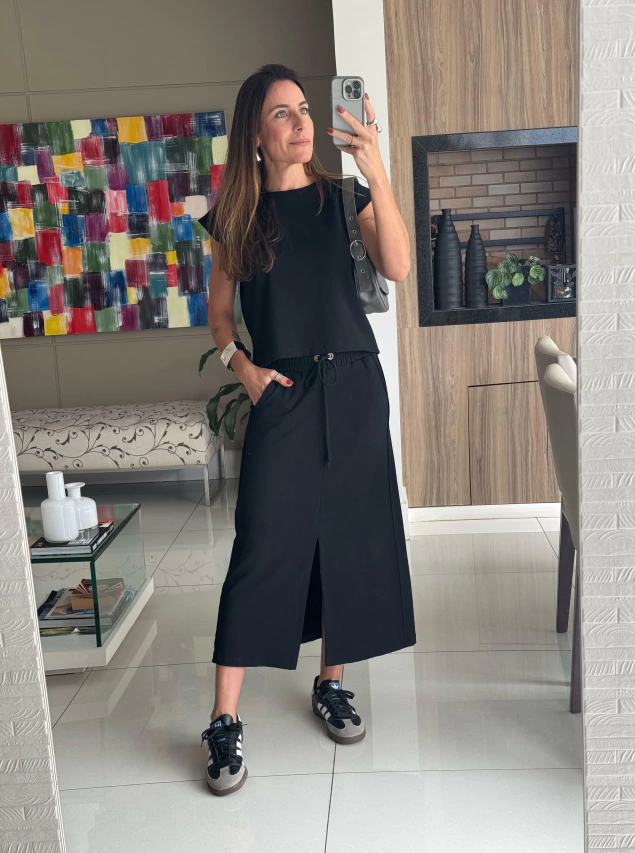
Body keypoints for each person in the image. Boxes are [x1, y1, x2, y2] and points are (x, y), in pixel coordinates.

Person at [199, 63, 416, 796]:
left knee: (346, 540)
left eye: (302, 109)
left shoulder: (345, 197)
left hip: (355, 387)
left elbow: (398, 266)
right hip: (284, 395)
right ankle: (223, 719)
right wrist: (243, 368)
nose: (300, 124)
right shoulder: (237, 219)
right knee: (261, 545)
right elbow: (219, 318)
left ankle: (330, 682)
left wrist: (375, 167)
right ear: (256, 136)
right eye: (281, 114)